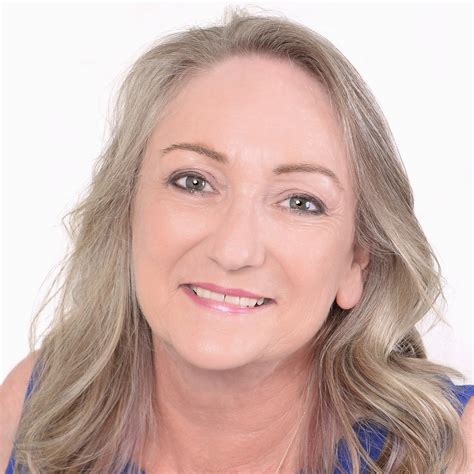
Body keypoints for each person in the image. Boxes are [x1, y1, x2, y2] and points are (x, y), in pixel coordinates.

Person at [1, 6, 473, 473]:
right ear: (128, 210)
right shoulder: (35, 409)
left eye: (300, 202)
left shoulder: (459, 449)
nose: (233, 250)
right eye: (193, 182)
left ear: (356, 264)